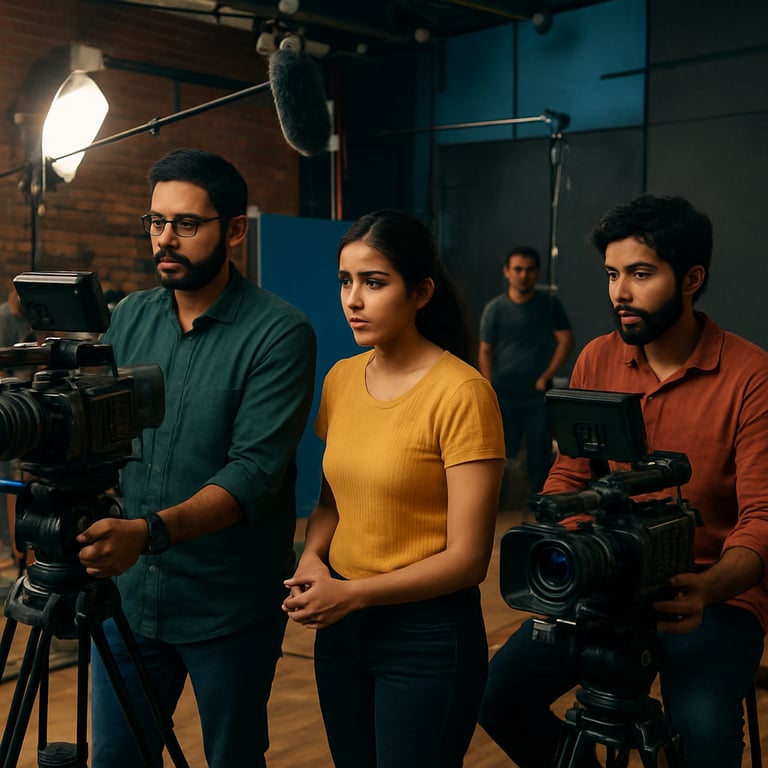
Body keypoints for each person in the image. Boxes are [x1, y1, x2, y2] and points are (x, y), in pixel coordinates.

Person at [478, 194, 768, 768]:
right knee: (497, 698)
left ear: (692, 278)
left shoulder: (750, 375)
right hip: (605, 585)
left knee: (703, 740)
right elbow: (570, 472)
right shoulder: (595, 358)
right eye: (612, 274)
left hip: (711, 592)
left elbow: (761, 521)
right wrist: (575, 534)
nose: (619, 293)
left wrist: (707, 589)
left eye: (640, 273)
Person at [76, 147, 317, 768]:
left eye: (187, 223)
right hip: (130, 600)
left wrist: (146, 532)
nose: (166, 239)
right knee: (115, 759)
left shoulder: (278, 332)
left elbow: (252, 474)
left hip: (228, 606)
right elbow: (98, 434)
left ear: (234, 229)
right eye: (156, 222)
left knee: (232, 758)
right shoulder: (129, 317)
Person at [282, 209, 506, 768]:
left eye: (374, 282)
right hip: (344, 630)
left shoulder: (463, 393)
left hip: (426, 636)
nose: (353, 300)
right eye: (346, 281)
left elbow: (468, 559)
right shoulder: (340, 379)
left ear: (421, 291)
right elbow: (334, 499)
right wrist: (313, 557)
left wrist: (352, 593)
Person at [478, 246, 573, 495]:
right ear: (507, 272)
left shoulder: (550, 305)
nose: (524, 275)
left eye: (529, 270)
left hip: (538, 395)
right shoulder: (495, 308)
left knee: (539, 457)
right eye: (518, 269)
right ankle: (495, 507)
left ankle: (538, 510)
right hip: (504, 394)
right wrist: (488, 387)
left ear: (537, 272)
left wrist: (546, 375)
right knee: (498, 454)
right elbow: (485, 350)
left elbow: (566, 340)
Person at [0, 284, 33, 568]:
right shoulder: (2, 320)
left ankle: (21, 550)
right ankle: (11, 548)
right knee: (9, 478)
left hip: (28, 408)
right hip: (8, 405)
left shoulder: (27, 321)